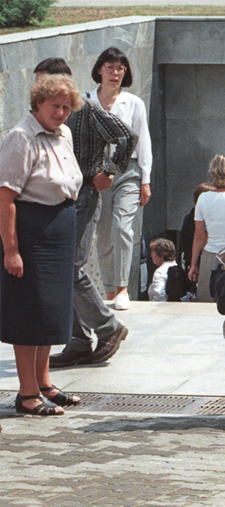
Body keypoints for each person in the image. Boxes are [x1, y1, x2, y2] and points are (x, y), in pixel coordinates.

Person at [31, 59, 135, 369]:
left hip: (85, 194)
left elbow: (127, 137)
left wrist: (110, 170)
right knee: (64, 270)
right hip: (60, 197)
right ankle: (78, 340)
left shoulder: (85, 108)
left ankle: (108, 328)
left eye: (42, 82)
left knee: (70, 267)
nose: (36, 91)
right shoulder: (46, 114)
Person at [0, 74, 84, 416]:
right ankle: (26, 392)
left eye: (66, 107)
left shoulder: (64, 134)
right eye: (55, 106)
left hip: (60, 228)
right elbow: (5, 197)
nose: (61, 113)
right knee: (29, 309)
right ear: (38, 103)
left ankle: (44, 381)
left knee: (51, 310)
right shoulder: (20, 137)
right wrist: (11, 250)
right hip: (31, 230)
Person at [92, 47, 153, 311]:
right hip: (97, 173)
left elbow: (144, 141)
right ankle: (108, 290)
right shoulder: (85, 102)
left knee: (122, 226)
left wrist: (145, 179)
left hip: (128, 171)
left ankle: (122, 288)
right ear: (99, 70)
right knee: (104, 234)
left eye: (120, 69)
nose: (115, 73)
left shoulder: (134, 103)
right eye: (111, 67)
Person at [187, 156, 225, 302]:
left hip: (210, 258)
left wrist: (193, 265)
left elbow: (198, 236)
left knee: (207, 304)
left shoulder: (203, 198)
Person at [178, 182, 216, 299]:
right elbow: (194, 240)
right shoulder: (193, 219)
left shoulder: (190, 217)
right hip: (197, 261)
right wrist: (193, 263)